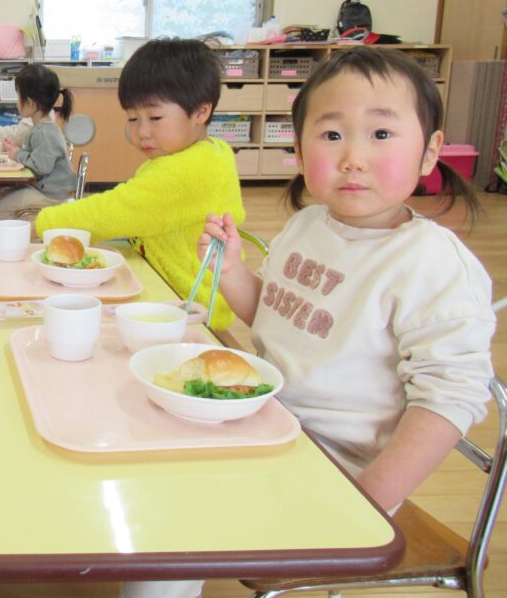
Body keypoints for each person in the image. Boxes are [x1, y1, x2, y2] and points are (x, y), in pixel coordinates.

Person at [156, 47, 495, 598]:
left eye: (381, 135)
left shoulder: (431, 265)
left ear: (430, 151)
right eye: (332, 136)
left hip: (335, 467)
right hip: (262, 420)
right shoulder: (309, 224)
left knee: (176, 519)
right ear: (298, 149)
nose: (353, 157)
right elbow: (269, 313)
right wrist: (231, 269)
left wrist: (366, 503)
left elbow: (448, 400)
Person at [34, 38, 246, 330]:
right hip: (170, 289)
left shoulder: (185, 171)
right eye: (133, 118)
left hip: (189, 309)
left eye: (155, 117)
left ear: (200, 111)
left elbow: (115, 210)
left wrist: (44, 222)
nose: (141, 131)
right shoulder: (209, 152)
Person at [0, 64, 77, 220]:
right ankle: (21, 226)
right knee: (2, 190)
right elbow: (37, 157)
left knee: (1, 208)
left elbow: (41, 166)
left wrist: (18, 154)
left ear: (30, 103)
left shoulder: (45, 132)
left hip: (52, 194)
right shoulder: (41, 128)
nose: (17, 102)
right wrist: (17, 150)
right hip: (45, 187)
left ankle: (13, 239)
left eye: (19, 96)